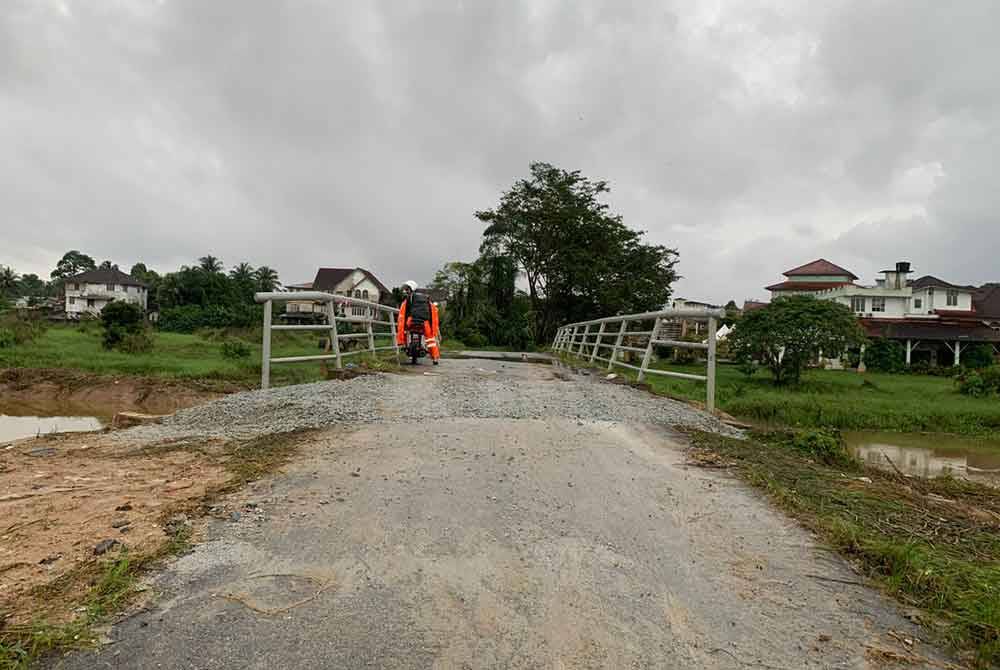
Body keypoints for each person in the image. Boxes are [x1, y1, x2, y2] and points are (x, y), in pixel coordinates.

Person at [396, 280, 441, 364]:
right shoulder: (427, 300)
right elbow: (433, 313)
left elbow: (402, 314)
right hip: (424, 323)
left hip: (411, 322)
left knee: (405, 331)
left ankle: (404, 346)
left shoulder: (408, 299)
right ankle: (435, 358)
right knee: (430, 340)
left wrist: (402, 330)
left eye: (407, 289)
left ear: (411, 290)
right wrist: (433, 328)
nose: (406, 291)